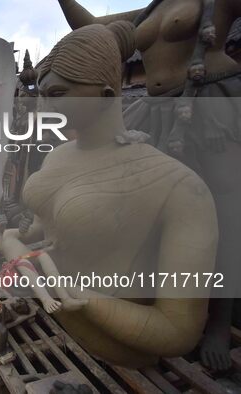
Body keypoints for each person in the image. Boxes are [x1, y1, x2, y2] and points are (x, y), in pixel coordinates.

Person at [57, 0, 241, 372]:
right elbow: (91, 26)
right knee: (156, 207)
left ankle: (220, 321)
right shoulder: (149, 10)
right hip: (156, 112)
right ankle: (159, 303)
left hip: (209, 104)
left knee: (225, 212)